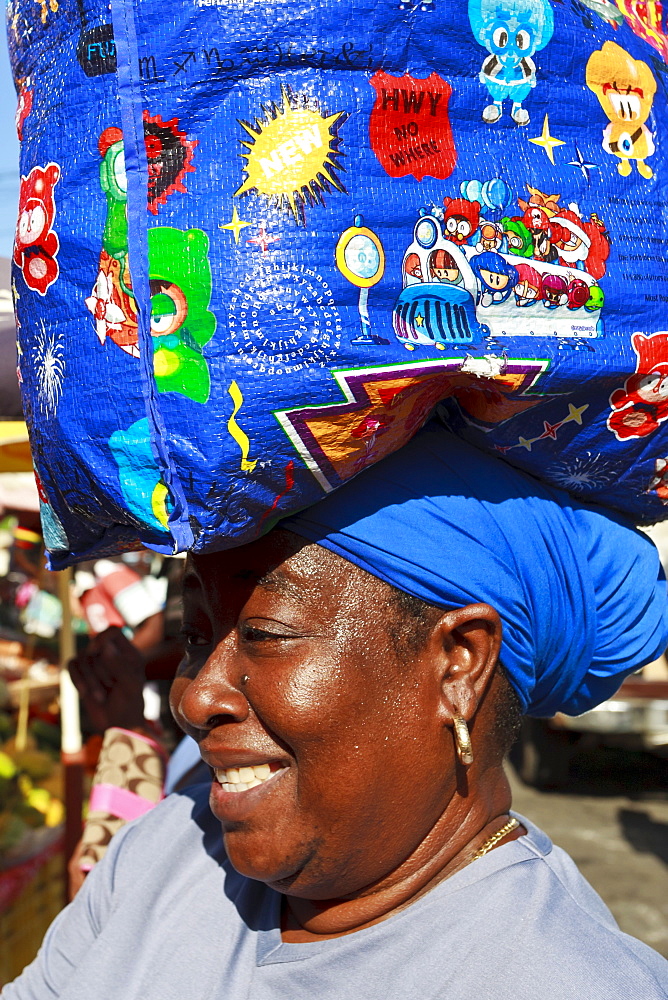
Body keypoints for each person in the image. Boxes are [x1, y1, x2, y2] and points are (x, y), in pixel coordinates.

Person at [3, 420, 668, 999]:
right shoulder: (168, 845)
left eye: (265, 636)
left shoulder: (571, 983)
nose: (196, 697)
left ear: (459, 663)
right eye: (196, 636)